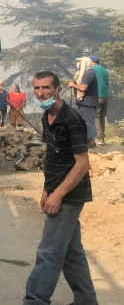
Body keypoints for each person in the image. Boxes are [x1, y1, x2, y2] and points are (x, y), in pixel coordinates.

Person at [21, 70, 96, 305]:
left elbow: (82, 163)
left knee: (49, 252)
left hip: (69, 196)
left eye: (46, 88)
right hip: (55, 191)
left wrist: (58, 194)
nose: (40, 93)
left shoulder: (72, 119)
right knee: (72, 253)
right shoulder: (48, 116)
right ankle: (86, 301)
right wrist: (46, 189)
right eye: (36, 88)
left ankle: (35, 300)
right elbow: (53, 158)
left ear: (58, 90)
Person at [66, 57, 99, 148]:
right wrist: (73, 82)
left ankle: (91, 141)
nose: (79, 64)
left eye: (80, 62)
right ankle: (88, 139)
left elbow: (83, 87)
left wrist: (73, 85)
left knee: (88, 122)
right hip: (85, 102)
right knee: (85, 121)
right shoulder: (86, 73)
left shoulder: (88, 73)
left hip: (87, 102)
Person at [90, 56, 109, 146]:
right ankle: (102, 138)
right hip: (105, 96)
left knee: (96, 116)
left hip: (98, 95)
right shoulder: (104, 70)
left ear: (92, 62)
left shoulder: (92, 70)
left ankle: (99, 138)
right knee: (102, 117)